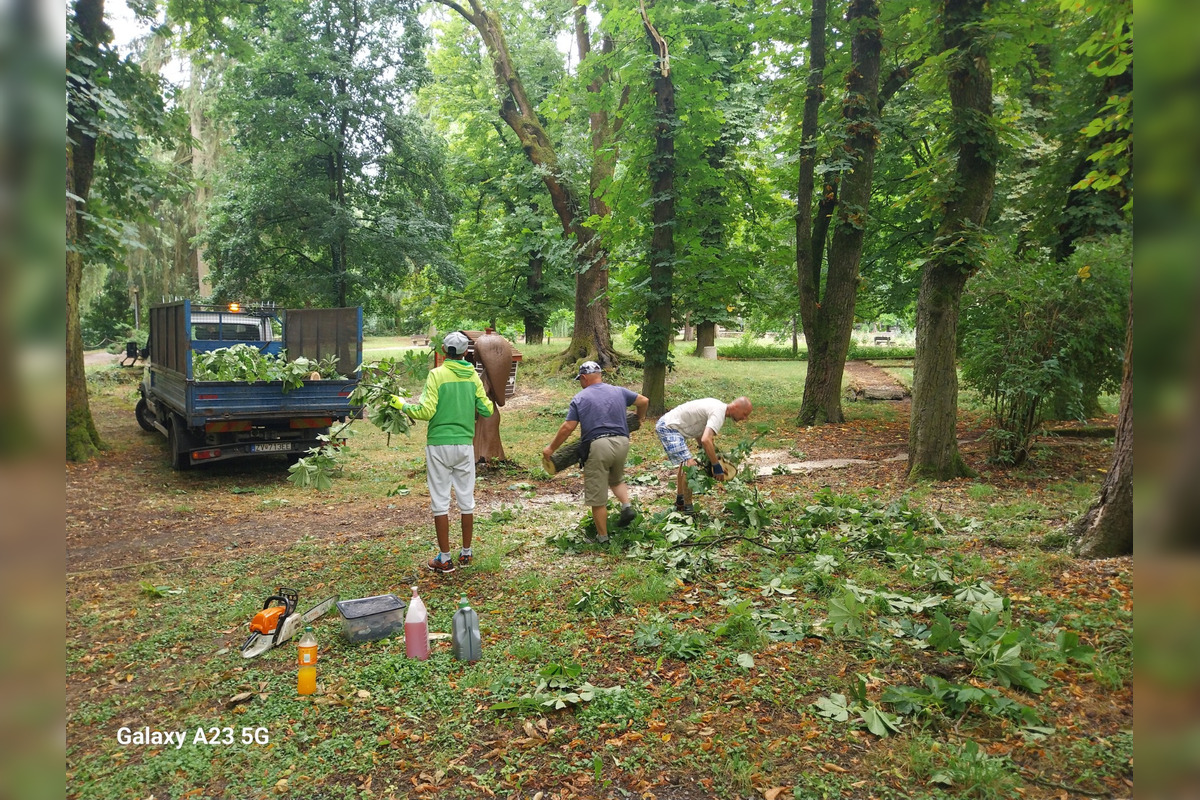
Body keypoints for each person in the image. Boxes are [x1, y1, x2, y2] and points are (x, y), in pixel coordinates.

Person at [392, 331, 494, 573]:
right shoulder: (473, 378)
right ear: (466, 353)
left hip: (438, 444)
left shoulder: (436, 375)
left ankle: (445, 559)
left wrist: (401, 404)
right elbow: (487, 410)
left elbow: (426, 412)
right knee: (466, 500)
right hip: (464, 445)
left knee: (441, 502)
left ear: (443, 352)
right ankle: (466, 554)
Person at [543, 361, 649, 543]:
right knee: (616, 479)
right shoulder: (619, 391)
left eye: (580, 380)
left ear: (584, 378)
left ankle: (602, 538)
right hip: (622, 442)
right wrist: (639, 417)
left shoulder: (580, 398)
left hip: (599, 446)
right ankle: (626, 506)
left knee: (597, 496)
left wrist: (551, 449)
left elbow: (568, 427)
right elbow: (644, 400)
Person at [655, 396, 753, 514]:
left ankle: (680, 501)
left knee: (685, 463)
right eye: (744, 414)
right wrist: (716, 466)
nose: (745, 418)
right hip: (668, 427)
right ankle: (688, 508)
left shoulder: (717, 406)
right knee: (690, 464)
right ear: (736, 407)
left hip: (670, 424)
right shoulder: (719, 413)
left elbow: (701, 433)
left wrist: (706, 453)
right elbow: (706, 440)